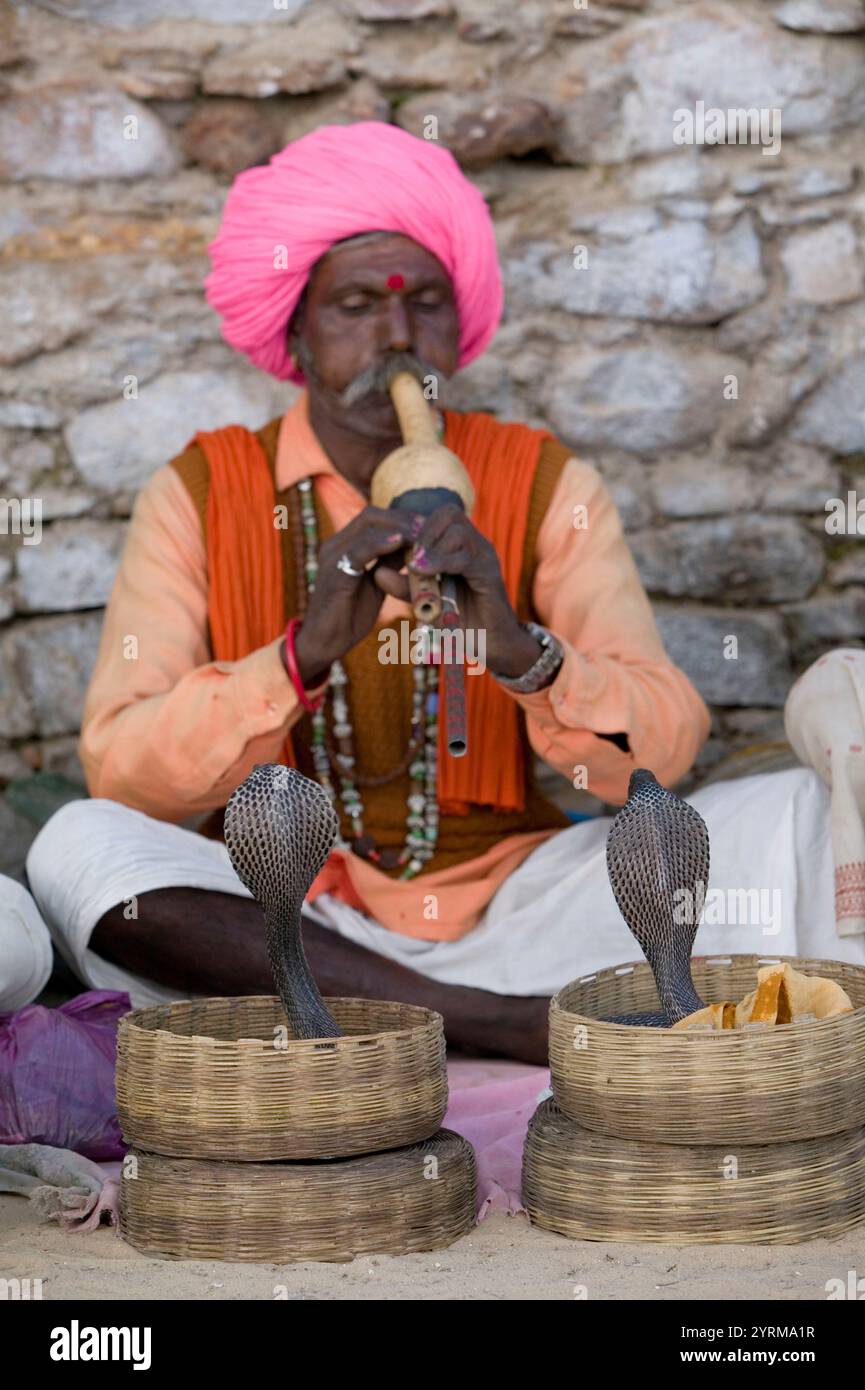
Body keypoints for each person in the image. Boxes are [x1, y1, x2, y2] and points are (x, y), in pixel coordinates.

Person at [18, 122, 847, 1060]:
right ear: (295, 327)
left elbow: (659, 757)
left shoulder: (541, 481)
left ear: (462, 324)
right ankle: (492, 1026)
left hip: (523, 908)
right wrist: (301, 655)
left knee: (798, 818)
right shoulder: (201, 492)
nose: (398, 336)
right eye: (357, 304)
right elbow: (123, 775)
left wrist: (525, 654)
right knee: (78, 849)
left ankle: (407, 1020)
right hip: (284, 916)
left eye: (425, 306)